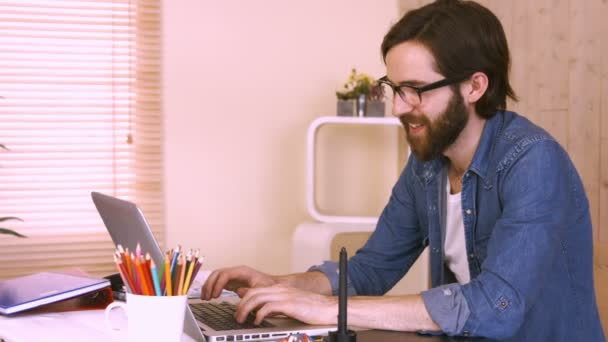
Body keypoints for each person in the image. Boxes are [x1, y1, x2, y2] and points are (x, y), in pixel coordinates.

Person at [202, 0, 606, 340]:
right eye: (395, 89)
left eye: (415, 90)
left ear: (475, 87)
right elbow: (372, 268)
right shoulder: (427, 164)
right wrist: (282, 286)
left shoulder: (534, 162)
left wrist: (328, 310)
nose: (397, 107)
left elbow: (495, 306)